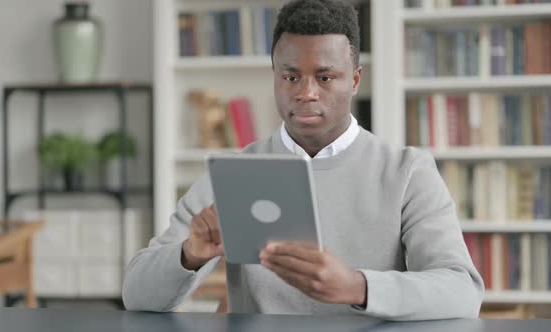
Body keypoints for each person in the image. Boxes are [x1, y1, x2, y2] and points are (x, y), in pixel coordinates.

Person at [122, 0, 484, 320]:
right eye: (291, 77)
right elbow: (136, 294)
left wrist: (358, 287)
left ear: (355, 80)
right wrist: (189, 255)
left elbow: (462, 291)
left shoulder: (408, 171)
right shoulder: (235, 172)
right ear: (275, 78)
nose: (306, 93)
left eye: (325, 77)